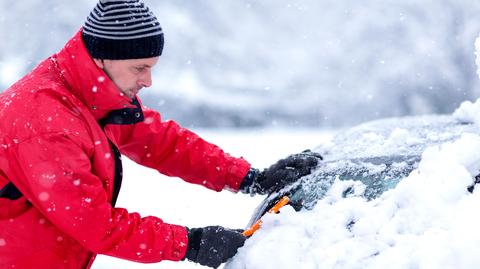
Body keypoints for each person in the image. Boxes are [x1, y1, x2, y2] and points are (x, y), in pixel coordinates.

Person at [0, 0, 322, 268]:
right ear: (102, 57)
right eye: (140, 68)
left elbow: (162, 143)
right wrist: (190, 243)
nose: (148, 81)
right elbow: (96, 225)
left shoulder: (89, 91)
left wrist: (250, 178)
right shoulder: (46, 125)